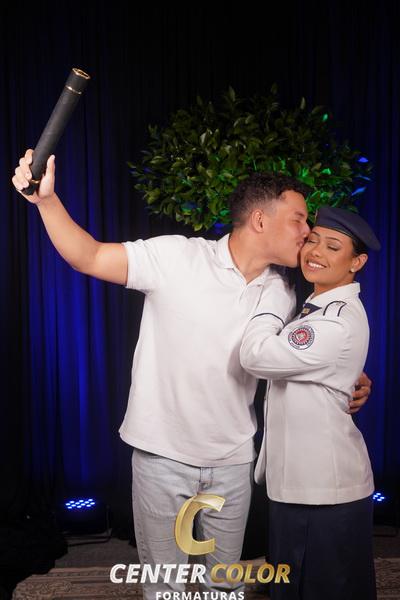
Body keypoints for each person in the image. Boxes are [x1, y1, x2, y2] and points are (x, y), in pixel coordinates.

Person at [12, 151, 371, 600]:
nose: (307, 232)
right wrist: (46, 201)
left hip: (234, 461)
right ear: (261, 219)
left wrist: (350, 375)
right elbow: (90, 256)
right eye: (299, 219)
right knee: (164, 586)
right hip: (163, 455)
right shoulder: (177, 257)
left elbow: (306, 350)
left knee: (223, 585)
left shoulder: (282, 291)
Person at [240, 206, 379, 600]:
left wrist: (270, 305)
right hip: (302, 483)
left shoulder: (333, 320)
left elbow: (256, 356)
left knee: (321, 588)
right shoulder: (317, 307)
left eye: (333, 247)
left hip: (320, 490)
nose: (315, 251)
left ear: (356, 262)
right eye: (313, 240)